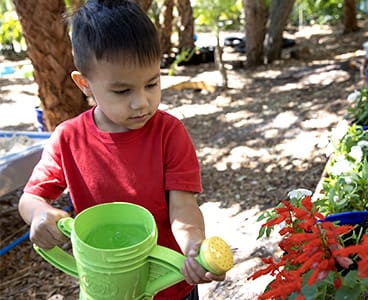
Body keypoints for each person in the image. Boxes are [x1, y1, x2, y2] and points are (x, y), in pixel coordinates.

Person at [17, 0, 225, 299]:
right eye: (122, 91)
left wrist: (194, 248)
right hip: (105, 286)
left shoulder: (169, 133)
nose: (141, 102)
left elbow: (183, 207)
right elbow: (31, 198)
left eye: (152, 84)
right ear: (85, 84)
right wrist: (40, 215)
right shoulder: (68, 138)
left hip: (169, 282)